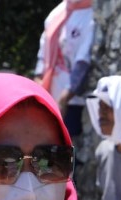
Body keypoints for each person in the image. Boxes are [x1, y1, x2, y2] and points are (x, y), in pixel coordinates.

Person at [33, 0, 94, 138]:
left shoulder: (90, 16)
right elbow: (43, 53)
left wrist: (64, 99)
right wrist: (38, 84)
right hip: (50, 96)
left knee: (68, 148)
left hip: (72, 102)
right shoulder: (57, 13)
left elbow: (83, 61)